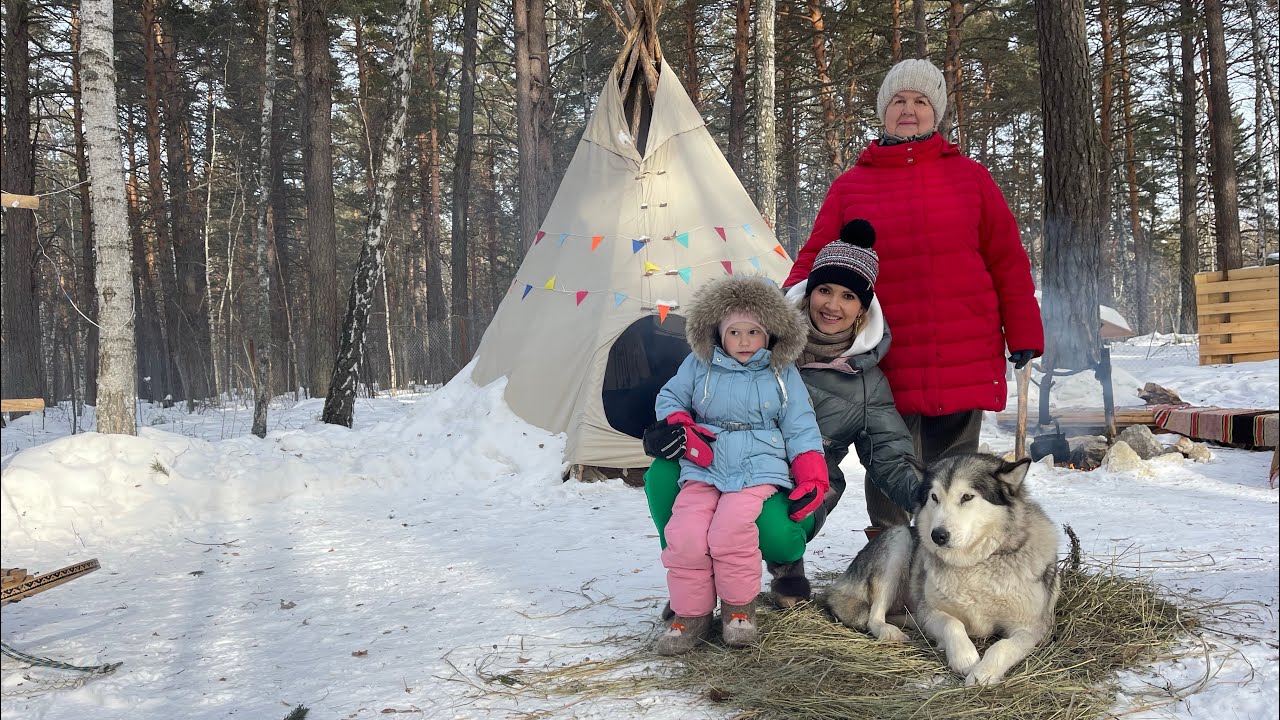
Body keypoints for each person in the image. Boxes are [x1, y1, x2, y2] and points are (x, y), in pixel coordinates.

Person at [783, 58, 1044, 492]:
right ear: (884, 110)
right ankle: (889, 548)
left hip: (962, 349)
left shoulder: (972, 178)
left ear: (935, 112)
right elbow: (815, 257)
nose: (909, 109)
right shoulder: (851, 185)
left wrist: (1023, 332)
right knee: (889, 456)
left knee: (957, 473)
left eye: (920, 101)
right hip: (884, 351)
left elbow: (1008, 261)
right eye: (898, 100)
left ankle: (952, 554)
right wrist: (780, 318)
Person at [644, 219, 922, 612]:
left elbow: (891, 457)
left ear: (863, 308)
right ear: (809, 291)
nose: (832, 305)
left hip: (801, 481)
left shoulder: (867, 383)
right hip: (721, 459)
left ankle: (786, 562)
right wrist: (665, 430)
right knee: (662, 475)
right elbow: (691, 388)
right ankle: (694, 584)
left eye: (848, 296)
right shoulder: (753, 332)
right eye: (824, 290)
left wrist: (929, 494)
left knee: (768, 527)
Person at [650, 274, 825, 655]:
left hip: (758, 463)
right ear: (718, 333)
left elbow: (800, 425)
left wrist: (812, 471)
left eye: (753, 332)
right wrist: (680, 423)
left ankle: (738, 608)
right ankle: (691, 613)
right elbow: (670, 396)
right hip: (706, 461)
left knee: (730, 531)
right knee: (687, 532)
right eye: (734, 333)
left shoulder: (781, 373)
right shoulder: (700, 364)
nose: (744, 342)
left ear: (770, 334)